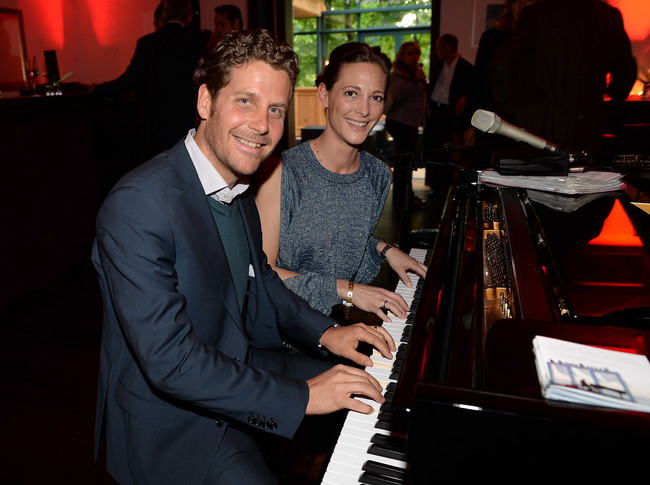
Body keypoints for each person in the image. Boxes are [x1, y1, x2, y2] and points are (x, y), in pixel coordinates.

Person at [92, 29, 396, 484]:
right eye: (245, 101)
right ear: (205, 101)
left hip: (241, 362)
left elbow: (263, 281)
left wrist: (328, 333)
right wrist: (302, 397)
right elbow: (172, 361)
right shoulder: (139, 203)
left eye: (275, 109)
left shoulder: (238, 185)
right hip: (172, 426)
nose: (262, 125)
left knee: (371, 380)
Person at [255, 42, 428, 323]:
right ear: (324, 95)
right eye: (351, 93)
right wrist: (349, 291)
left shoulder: (377, 175)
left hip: (337, 324)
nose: (364, 110)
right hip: (285, 328)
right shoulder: (281, 172)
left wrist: (385, 249)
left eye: (375, 97)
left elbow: (338, 239)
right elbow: (264, 274)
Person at [490, 0, 637, 159]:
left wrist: (513, 110)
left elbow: (501, 63)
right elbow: (626, 72)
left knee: (536, 172)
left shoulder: (538, 13)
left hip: (538, 127)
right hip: (586, 128)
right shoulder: (607, 16)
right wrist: (605, 107)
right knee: (583, 172)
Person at [92, 0, 205, 162]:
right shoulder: (196, 42)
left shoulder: (148, 43)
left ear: (163, 14)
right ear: (189, 15)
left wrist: (97, 89)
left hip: (157, 127)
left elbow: (127, 82)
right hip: (189, 125)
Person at [424, 33, 474, 192]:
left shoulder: (466, 68)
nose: (436, 51)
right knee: (431, 148)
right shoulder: (438, 65)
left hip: (449, 112)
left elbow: (473, 90)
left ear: (447, 48)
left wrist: (464, 97)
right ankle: (434, 186)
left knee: (447, 149)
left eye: (438, 48)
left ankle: (447, 186)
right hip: (435, 110)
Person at [385, 41, 428, 207]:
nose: (414, 57)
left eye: (416, 53)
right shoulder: (400, 73)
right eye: (410, 53)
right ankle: (404, 198)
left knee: (405, 161)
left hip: (409, 122)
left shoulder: (412, 72)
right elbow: (398, 92)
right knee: (405, 162)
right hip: (401, 122)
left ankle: (405, 196)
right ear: (402, 55)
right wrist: (416, 81)